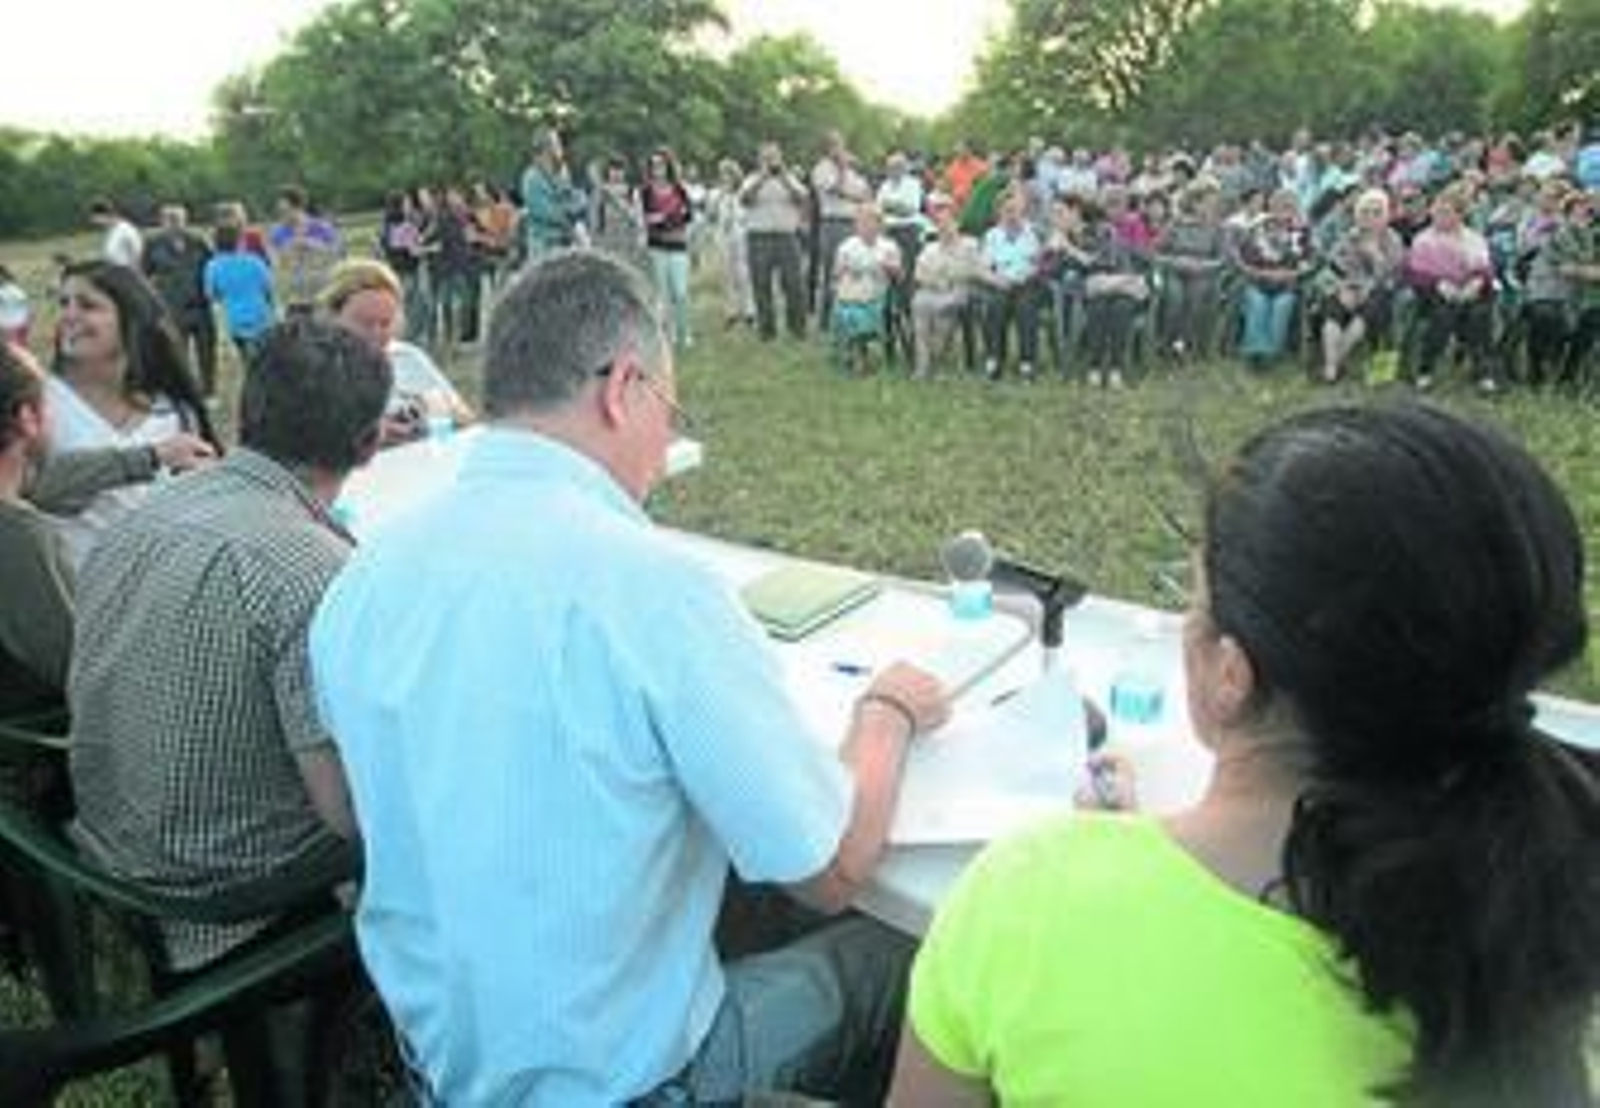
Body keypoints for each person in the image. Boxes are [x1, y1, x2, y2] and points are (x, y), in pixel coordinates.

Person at [310, 250, 952, 1105]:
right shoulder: (649, 587)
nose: (663, 442)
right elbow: (830, 870)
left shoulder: (362, 578)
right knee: (917, 949)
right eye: (669, 410)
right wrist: (886, 713)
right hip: (629, 1083)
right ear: (624, 387)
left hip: (440, 1058)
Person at [891, 400, 1600, 1107]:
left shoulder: (1028, 894)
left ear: (1230, 673)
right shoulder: (1529, 964)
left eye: (1192, 595)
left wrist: (1111, 865)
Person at [68, 319, 390, 972]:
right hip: (222, 896)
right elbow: (349, 813)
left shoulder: (144, 517)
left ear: (246, 412)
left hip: (109, 849)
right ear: (371, 442)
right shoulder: (312, 572)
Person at [0, 342, 212, 717]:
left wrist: (150, 457)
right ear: (28, 418)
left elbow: (45, 482)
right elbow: (81, 667)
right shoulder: (18, 535)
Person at [47, 260, 222, 568]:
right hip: (70, 602)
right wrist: (151, 457)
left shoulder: (174, 412)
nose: (68, 316)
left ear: (131, 319)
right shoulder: (38, 402)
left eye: (87, 305)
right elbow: (33, 488)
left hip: (156, 598)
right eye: (63, 303)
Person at [316, 258, 474, 432]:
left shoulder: (408, 357)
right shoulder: (313, 369)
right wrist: (375, 434)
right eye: (364, 323)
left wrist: (426, 416)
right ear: (332, 316)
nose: (376, 334)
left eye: (385, 323)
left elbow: (464, 417)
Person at [143, 204, 219, 398]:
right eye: (170, 219)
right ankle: (187, 392)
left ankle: (209, 392)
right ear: (162, 222)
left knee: (207, 353)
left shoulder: (199, 241)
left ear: (186, 220)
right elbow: (144, 274)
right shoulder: (153, 243)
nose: (175, 223)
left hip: (200, 306)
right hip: (172, 308)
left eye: (178, 219)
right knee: (178, 355)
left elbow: (213, 266)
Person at [740, 141, 810, 341]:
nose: (771, 161)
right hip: (758, 237)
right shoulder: (751, 179)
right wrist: (762, 178)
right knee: (761, 285)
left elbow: (802, 199)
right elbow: (745, 200)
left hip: (786, 236)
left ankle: (797, 329)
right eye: (766, 157)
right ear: (759, 160)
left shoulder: (790, 179)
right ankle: (767, 331)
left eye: (774, 157)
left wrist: (784, 179)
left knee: (794, 284)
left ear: (781, 158)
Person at [639, 146, 695, 349]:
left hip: (679, 245)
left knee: (680, 292)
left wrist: (665, 218)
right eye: (653, 165)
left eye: (661, 164)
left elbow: (688, 215)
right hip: (657, 247)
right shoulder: (645, 192)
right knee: (662, 293)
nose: (657, 168)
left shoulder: (679, 189)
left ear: (668, 166)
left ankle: (685, 332)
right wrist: (670, 217)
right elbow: (648, 220)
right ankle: (668, 334)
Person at [268, 185, 343, 313]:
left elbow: (338, 254)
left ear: (299, 207)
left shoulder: (321, 228)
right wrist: (287, 251)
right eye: (280, 212)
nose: (283, 216)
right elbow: (276, 264)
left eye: (287, 210)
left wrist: (311, 244)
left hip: (322, 293)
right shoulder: (277, 233)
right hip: (294, 298)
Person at [521, 127, 587, 261]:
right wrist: (569, 212)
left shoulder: (560, 176)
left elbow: (580, 200)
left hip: (565, 244)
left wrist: (571, 206)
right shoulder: (532, 177)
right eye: (557, 144)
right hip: (544, 247)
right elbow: (547, 212)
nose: (561, 148)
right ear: (546, 148)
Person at [88, 198, 142, 268]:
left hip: (126, 270)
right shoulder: (110, 230)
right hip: (114, 270)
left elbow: (136, 254)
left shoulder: (126, 229)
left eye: (95, 218)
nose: (94, 222)